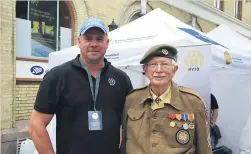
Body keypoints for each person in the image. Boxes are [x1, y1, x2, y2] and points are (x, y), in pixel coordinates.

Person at [29, 17, 133, 154]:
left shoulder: (121, 79)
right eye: (88, 38)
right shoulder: (57, 76)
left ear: (107, 43)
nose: (94, 44)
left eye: (99, 39)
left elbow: (130, 124)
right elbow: (36, 125)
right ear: (79, 41)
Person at [120, 44, 212, 154]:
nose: (159, 70)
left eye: (165, 65)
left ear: (174, 69)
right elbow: (124, 143)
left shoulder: (193, 102)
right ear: (145, 69)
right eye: (153, 65)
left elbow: (204, 149)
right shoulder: (132, 99)